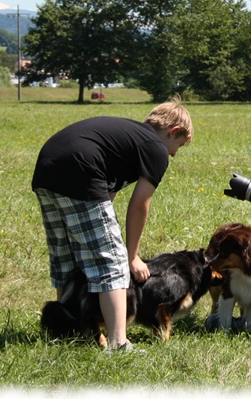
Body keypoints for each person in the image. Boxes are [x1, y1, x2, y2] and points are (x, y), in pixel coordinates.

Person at [32, 100, 193, 350]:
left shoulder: (128, 138)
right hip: (80, 170)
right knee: (112, 261)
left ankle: (69, 327)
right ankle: (119, 342)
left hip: (47, 169)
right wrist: (131, 256)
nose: (173, 153)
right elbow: (140, 204)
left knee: (69, 258)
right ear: (173, 132)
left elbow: (108, 194)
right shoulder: (156, 148)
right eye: (179, 146)